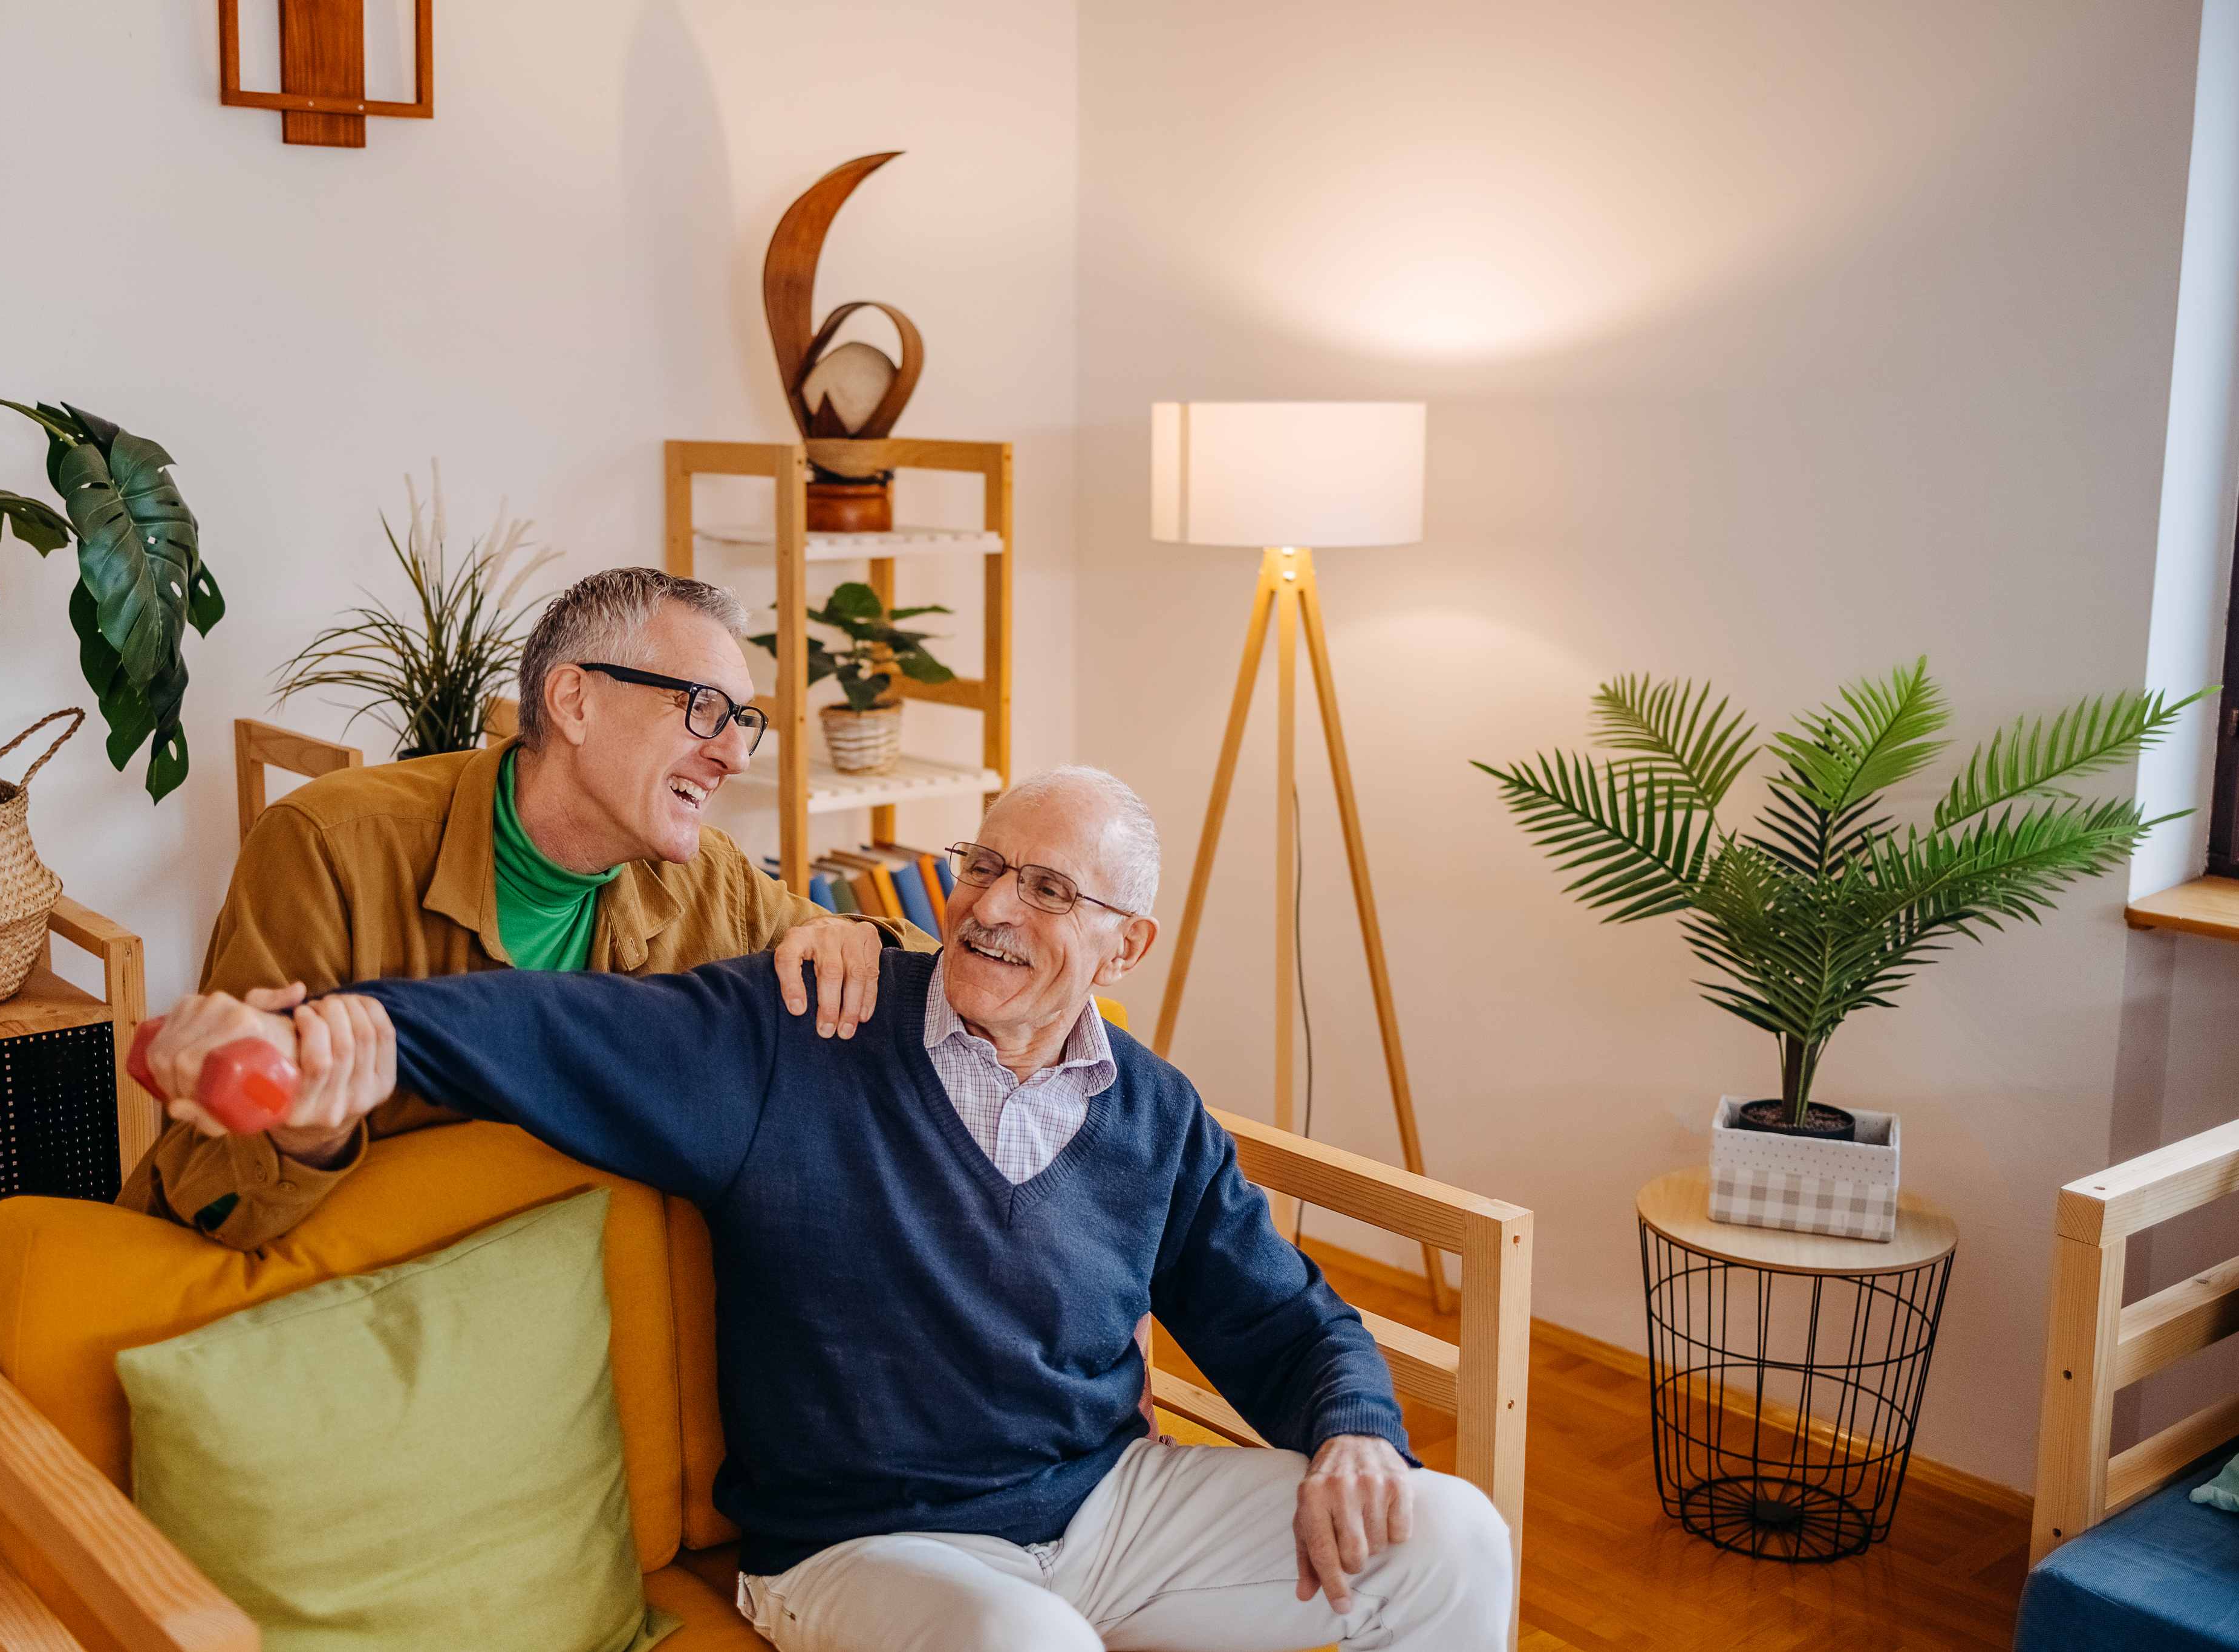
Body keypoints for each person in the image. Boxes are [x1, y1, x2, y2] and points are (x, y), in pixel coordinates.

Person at [143, 767, 1514, 1652]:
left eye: (1048, 888)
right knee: (1026, 1648)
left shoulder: (1151, 1110)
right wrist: (362, 1031)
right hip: (869, 1543)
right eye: (980, 866)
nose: (990, 906)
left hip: (1107, 1507)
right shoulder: (809, 1025)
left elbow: (1279, 1316)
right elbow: (560, 1026)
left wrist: (1352, 1431)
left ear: (1124, 945)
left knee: (1447, 1532)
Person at [117, 567, 934, 1251]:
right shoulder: (327, 844)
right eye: (703, 709)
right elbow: (206, 1186)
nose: (734, 753)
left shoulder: (710, 880)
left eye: (742, 721)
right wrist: (309, 1137)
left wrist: (856, 933)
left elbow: (917, 971)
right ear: (575, 701)